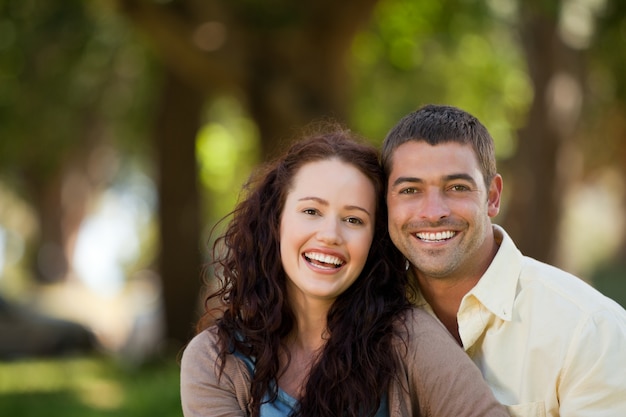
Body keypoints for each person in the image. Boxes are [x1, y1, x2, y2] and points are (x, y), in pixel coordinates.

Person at [180, 125, 509, 417]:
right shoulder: (215, 359)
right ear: (275, 221)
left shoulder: (409, 338)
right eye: (311, 211)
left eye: (354, 220)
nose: (330, 235)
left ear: (374, 240)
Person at [382, 103, 626, 416]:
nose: (433, 212)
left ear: (493, 196)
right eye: (410, 190)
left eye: (457, 187)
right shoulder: (366, 320)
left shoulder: (591, 331)